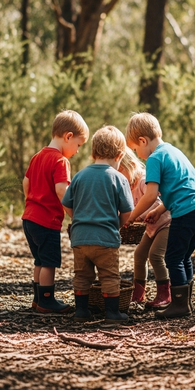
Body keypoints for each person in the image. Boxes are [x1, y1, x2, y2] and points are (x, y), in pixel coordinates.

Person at [125, 113, 195, 318]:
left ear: (143, 141)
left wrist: (130, 216)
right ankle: (185, 302)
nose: (139, 155)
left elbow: (149, 195)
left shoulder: (154, 158)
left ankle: (179, 305)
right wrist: (159, 210)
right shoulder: (172, 150)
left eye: (136, 150)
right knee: (183, 257)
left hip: (186, 212)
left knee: (172, 258)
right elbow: (179, 188)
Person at [61, 126, 134, 324]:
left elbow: (66, 203)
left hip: (80, 238)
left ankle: (81, 312)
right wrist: (116, 225)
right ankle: (112, 313)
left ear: (93, 152)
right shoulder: (118, 178)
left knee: (82, 276)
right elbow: (127, 211)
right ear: (120, 155)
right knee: (110, 276)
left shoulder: (80, 176)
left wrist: (78, 218)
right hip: (105, 239)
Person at [22, 110, 89, 313]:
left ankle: (37, 298)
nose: (77, 151)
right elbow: (62, 191)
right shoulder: (61, 161)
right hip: (46, 222)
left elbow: (26, 182)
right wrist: (74, 214)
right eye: (78, 145)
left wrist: (31, 201)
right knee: (49, 262)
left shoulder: (37, 156)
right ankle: (47, 300)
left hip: (29, 218)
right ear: (68, 136)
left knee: (39, 260)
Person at [118, 148, 172, 309]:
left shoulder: (143, 180)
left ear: (132, 165)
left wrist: (137, 216)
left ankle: (165, 294)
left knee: (155, 255)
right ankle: (138, 293)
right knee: (139, 255)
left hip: (166, 224)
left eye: (121, 170)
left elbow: (156, 203)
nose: (120, 175)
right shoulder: (128, 186)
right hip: (151, 228)